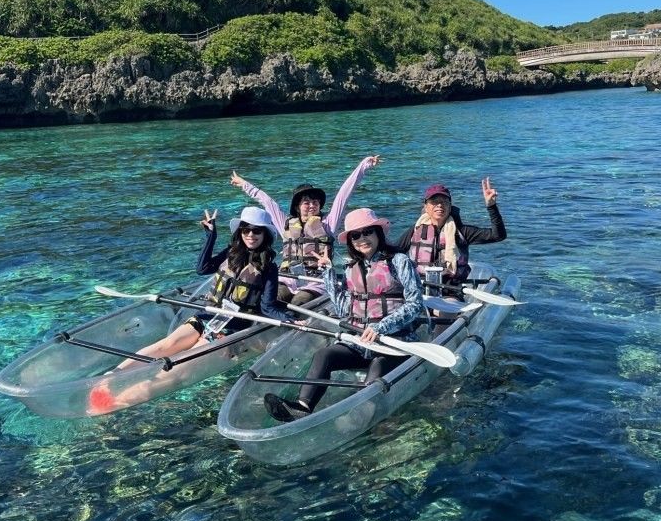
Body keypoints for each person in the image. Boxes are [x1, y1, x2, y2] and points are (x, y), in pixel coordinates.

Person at [88, 206, 298, 413]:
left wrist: (290, 320)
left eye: (256, 231)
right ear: (240, 231)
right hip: (207, 315)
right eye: (246, 230)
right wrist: (210, 235)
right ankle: (108, 378)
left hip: (229, 328)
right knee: (165, 346)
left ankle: (112, 404)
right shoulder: (231, 253)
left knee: (177, 370)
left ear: (265, 234)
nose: (250, 235)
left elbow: (267, 306)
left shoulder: (268, 268)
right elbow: (202, 269)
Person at [264, 207, 424, 422]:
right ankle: (302, 408)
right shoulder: (352, 267)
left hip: (395, 342)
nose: (362, 239)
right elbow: (344, 309)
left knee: (378, 365)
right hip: (360, 341)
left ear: (378, 232)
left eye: (367, 232)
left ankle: (361, 417)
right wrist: (328, 272)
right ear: (350, 241)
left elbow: (415, 304)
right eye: (355, 235)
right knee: (324, 355)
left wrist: (381, 327)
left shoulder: (398, 261)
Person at [230, 155, 380, 306]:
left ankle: (295, 322)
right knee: (273, 299)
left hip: (316, 281)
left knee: (299, 302)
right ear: (297, 207)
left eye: (315, 202)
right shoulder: (286, 224)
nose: (311, 206)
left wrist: (363, 166)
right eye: (306, 202)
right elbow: (267, 202)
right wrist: (245, 184)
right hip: (287, 278)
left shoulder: (328, 224)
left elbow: (343, 195)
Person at [393, 178, 506, 297]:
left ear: (450, 206)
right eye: (434, 201)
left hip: (450, 293)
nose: (440, 205)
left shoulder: (462, 232)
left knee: (441, 312)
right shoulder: (415, 230)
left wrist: (491, 206)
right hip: (419, 291)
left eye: (444, 201)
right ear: (426, 207)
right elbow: (392, 252)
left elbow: (498, 235)